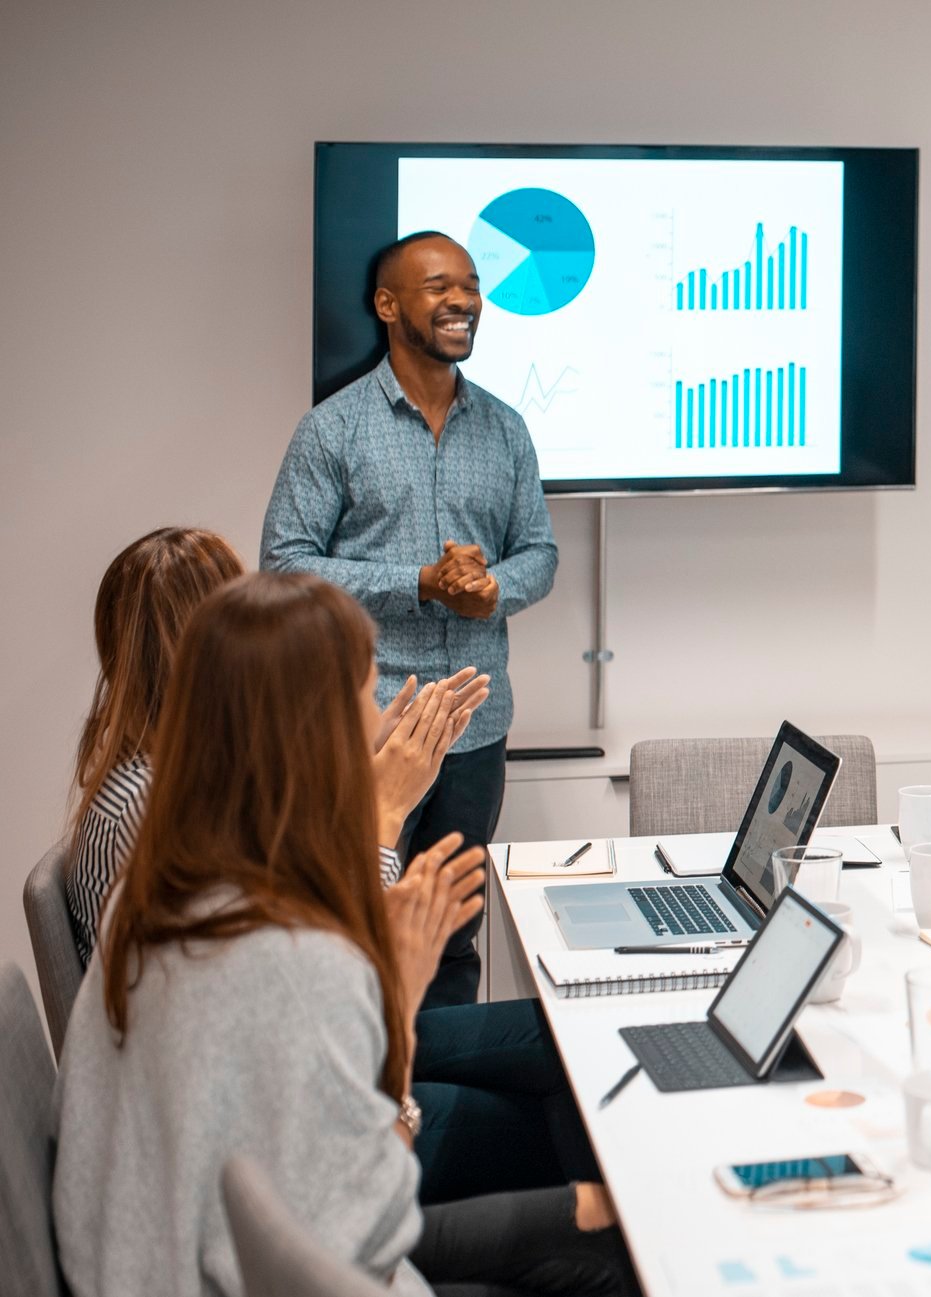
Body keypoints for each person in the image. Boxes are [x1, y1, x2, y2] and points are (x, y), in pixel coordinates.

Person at [53, 570, 632, 1297]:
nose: (376, 720)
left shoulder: (159, 885)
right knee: (617, 1234)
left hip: (157, 1252)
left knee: (579, 1172)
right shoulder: (291, 956)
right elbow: (372, 1238)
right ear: (312, 735)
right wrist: (398, 1000)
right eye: (363, 695)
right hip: (274, 1265)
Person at [262, 230, 559, 1010]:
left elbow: (540, 553)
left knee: (450, 936)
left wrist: (492, 590)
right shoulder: (332, 430)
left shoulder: (506, 430)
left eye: (470, 284)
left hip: (475, 731)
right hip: (372, 728)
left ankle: (436, 1109)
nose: (463, 299)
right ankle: (369, 1107)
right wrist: (419, 585)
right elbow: (285, 564)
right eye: (438, 286)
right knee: (352, 926)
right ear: (388, 305)